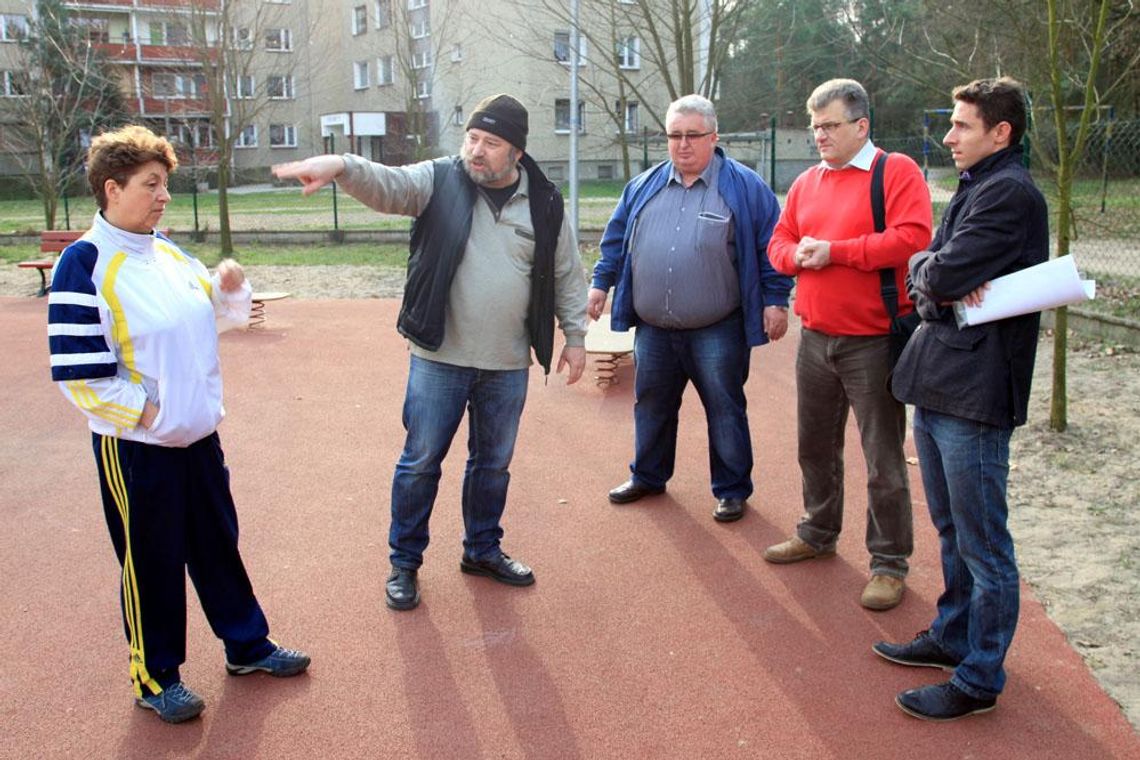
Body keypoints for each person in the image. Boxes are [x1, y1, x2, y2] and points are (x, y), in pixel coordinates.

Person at [272, 94, 588, 611]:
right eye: (472, 138)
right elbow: (389, 185)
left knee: (493, 465)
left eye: (491, 143)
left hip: (506, 362)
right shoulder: (440, 180)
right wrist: (342, 166)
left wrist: (575, 338)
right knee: (420, 463)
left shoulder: (546, 202)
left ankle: (482, 549)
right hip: (439, 356)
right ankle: (404, 563)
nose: (476, 151)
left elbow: (566, 274)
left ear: (516, 152)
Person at [47, 125, 310, 725]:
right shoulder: (83, 265)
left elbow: (211, 316)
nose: (164, 195)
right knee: (151, 559)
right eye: (152, 184)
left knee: (218, 544)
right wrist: (151, 415)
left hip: (197, 439)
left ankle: (247, 645)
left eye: (166, 184)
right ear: (112, 189)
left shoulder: (165, 252)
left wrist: (227, 289)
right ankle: (155, 674)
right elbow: (79, 374)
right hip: (138, 448)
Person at [873, 77, 1048, 721]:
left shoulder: (1009, 194)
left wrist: (931, 272)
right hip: (944, 378)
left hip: (976, 392)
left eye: (962, 125)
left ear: (1000, 132)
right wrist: (932, 272)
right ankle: (953, 635)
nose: (948, 136)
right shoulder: (980, 184)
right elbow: (935, 271)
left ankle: (979, 677)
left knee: (983, 543)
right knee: (952, 529)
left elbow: (939, 272)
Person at [764, 79, 933, 611]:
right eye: (815, 126)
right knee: (814, 445)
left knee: (882, 457)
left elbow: (913, 238)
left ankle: (888, 562)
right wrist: (798, 258)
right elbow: (778, 244)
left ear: (862, 126)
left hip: (874, 340)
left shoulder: (895, 171)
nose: (820, 135)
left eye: (830, 125)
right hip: (816, 336)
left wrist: (835, 252)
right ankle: (817, 532)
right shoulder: (807, 182)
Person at [589, 94, 791, 523]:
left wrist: (776, 300)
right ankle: (648, 475)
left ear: (714, 137)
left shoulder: (745, 186)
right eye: (674, 136)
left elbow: (771, 248)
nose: (683, 145)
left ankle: (732, 489)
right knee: (652, 404)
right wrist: (599, 284)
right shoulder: (642, 186)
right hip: (654, 328)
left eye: (692, 135)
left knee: (724, 407)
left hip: (716, 326)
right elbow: (615, 240)